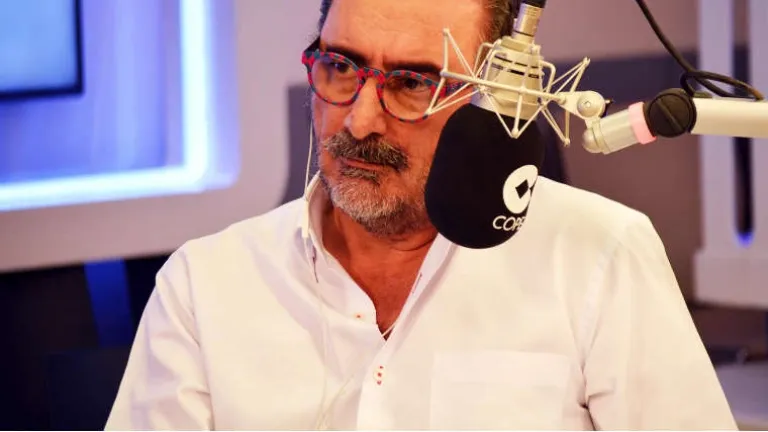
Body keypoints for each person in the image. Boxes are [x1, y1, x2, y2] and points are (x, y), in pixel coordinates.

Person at [105, 0, 738, 429]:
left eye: (413, 82)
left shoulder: (599, 254)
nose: (360, 120)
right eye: (340, 67)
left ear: (498, 100)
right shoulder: (203, 286)